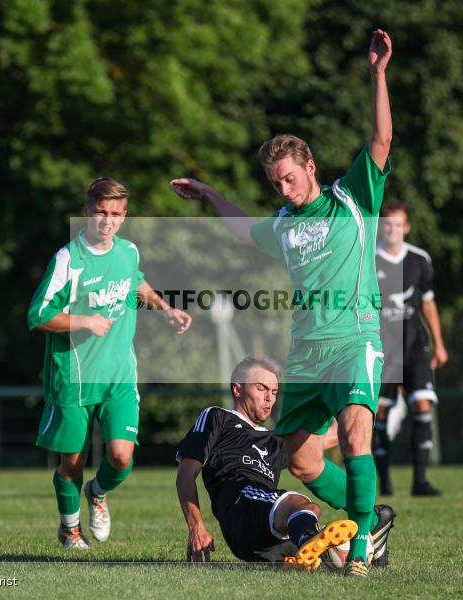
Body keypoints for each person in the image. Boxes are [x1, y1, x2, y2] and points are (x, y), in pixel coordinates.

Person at [170, 29, 394, 577]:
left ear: (310, 167)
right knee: (300, 458)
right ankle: (374, 518)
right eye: (276, 184)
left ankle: (361, 546)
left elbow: (381, 139)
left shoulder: (352, 198)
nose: (285, 189)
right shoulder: (284, 225)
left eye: (290, 179)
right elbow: (245, 231)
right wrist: (209, 194)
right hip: (307, 352)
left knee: (356, 433)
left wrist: (378, 75)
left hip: (354, 340)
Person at [27, 177, 192, 549]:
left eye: (116, 214)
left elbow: (136, 284)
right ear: (86, 211)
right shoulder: (68, 259)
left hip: (119, 375)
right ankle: (70, 530)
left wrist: (165, 308)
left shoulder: (129, 251)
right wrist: (85, 321)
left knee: (120, 456)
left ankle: (97, 492)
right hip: (74, 377)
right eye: (100, 212)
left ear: (124, 216)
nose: (107, 220)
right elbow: (37, 315)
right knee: (71, 463)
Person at [175, 357, 396, 569]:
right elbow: (185, 474)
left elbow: (332, 436)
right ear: (237, 389)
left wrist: (360, 400)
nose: (269, 398)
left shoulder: (276, 440)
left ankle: (364, 540)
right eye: (261, 388)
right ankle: (311, 541)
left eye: (274, 392)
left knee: (334, 550)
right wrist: (197, 527)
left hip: (266, 535)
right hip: (240, 504)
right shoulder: (217, 417)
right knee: (303, 506)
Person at [373, 201, 448, 497]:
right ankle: (384, 483)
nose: (392, 229)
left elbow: (428, 303)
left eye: (398, 224)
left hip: (415, 345)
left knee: (423, 404)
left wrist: (439, 343)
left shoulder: (419, 259)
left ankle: (420, 481)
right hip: (382, 349)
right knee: (379, 412)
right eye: (387, 224)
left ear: (407, 227)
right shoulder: (368, 260)